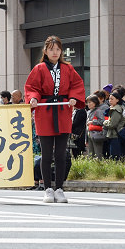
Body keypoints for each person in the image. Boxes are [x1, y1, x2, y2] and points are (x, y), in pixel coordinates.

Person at [24, 35, 85, 204]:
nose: (55, 52)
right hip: (45, 112)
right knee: (46, 154)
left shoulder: (68, 68)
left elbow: (77, 85)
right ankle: (47, 189)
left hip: (63, 111)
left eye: (58, 49)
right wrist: (34, 99)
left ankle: (59, 189)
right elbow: (32, 87)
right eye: (51, 49)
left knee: (61, 154)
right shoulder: (39, 68)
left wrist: (73, 97)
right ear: (45, 50)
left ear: (61, 51)